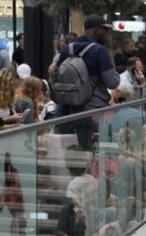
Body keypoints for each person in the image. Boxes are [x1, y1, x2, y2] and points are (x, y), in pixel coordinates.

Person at [53, 15, 120, 150]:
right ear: (95, 30)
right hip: (94, 109)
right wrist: (116, 73)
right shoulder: (99, 51)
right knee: (95, 150)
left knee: (76, 150)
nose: (106, 33)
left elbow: (56, 74)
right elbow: (112, 82)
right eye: (104, 30)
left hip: (69, 109)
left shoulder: (68, 49)